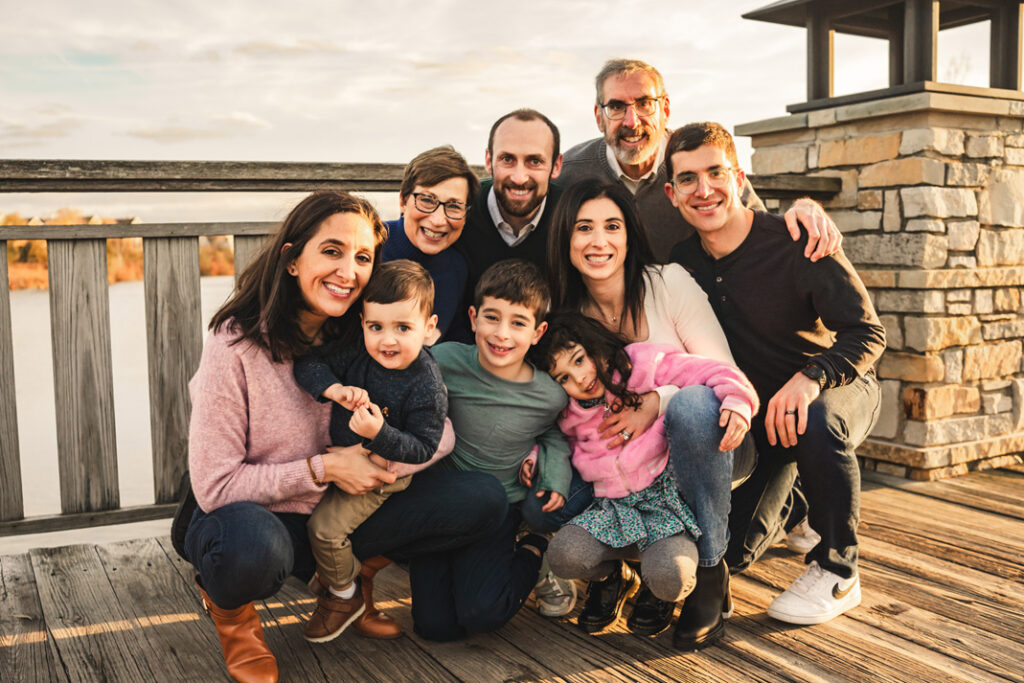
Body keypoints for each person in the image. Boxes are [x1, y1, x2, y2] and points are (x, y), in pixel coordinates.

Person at [182, 190, 507, 682]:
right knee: (251, 551)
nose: (348, 271)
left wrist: (379, 462)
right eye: (331, 251)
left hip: (340, 507)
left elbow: (438, 433)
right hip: (258, 515)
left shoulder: (371, 332)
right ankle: (234, 619)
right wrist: (327, 467)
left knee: (481, 497)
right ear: (292, 260)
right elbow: (214, 486)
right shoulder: (236, 342)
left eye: (362, 257)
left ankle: (350, 583)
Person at [667, 122, 884, 625]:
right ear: (671, 193)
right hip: (765, 422)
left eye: (715, 172)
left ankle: (838, 569)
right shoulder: (682, 263)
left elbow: (868, 332)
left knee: (815, 417)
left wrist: (811, 377)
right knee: (732, 553)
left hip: (835, 389)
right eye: (688, 179)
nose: (704, 190)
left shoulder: (795, 239)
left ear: (739, 176)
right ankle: (806, 498)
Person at [546, 178, 749, 650]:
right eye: (583, 228)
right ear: (565, 239)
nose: (599, 241)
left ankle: (711, 569)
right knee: (550, 478)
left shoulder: (668, 283)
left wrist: (657, 400)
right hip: (617, 471)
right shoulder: (566, 320)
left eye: (611, 226)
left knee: (695, 405)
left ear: (629, 234)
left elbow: (722, 375)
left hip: (709, 444)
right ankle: (613, 570)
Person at [532, 312, 759, 637]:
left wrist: (737, 401)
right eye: (564, 377)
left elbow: (710, 370)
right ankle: (616, 576)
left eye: (579, 360)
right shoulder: (570, 413)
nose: (579, 379)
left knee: (670, 579)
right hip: (613, 510)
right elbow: (552, 443)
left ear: (592, 344)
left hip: (665, 507)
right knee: (563, 557)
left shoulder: (639, 363)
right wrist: (532, 458)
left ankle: (669, 577)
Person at [409, 259, 593, 641]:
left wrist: (553, 476)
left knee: (481, 613)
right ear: (473, 318)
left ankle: (533, 549)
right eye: (492, 318)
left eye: (518, 323)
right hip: (441, 506)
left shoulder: (549, 393)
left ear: (538, 332)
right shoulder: (442, 361)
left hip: (499, 508)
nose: (502, 334)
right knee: (434, 627)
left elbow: (555, 435)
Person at [293, 260, 446, 643]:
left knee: (324, 531)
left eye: (403, 328)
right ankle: (333, 574)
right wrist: (333, 389)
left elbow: (424, 446)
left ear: (428, 329)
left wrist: (379, 434)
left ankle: (346, 597)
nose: (387, 340)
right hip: (340, 459)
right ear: (362, 322)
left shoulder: (426, 384)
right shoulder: (358, 354)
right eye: (375, 327)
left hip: (382, 473)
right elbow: (309, 362)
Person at [559, 58, 840, 258]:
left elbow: (758, 227)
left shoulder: (698, 161)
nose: (632, 121)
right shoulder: (569, 173)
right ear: (599, 117)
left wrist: (804, 205)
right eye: (617, 107)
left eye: (645, 104)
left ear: (665, 110)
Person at [457, 108, 563, 300]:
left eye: (534, 161)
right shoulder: (460, 207)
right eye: (507, 159)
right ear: (489, 161)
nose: (519, 178)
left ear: (556, 165)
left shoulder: (573, 214)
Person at [382, 145, 480, 342]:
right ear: (403, 201)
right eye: (427, 200)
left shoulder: (457, 267)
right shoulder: (369, 244)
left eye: (454, 206)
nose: (437, 220)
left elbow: (457, 339)